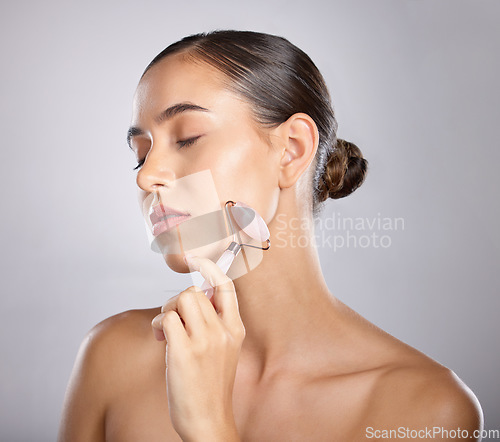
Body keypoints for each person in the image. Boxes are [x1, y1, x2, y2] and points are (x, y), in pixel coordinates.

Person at [58, 30, 483, 441]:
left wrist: (208, 427)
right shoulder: (112, 356)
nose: (147, 177)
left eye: (187, 139)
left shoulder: (424, 408)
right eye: (141, 155)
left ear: (292, 149)